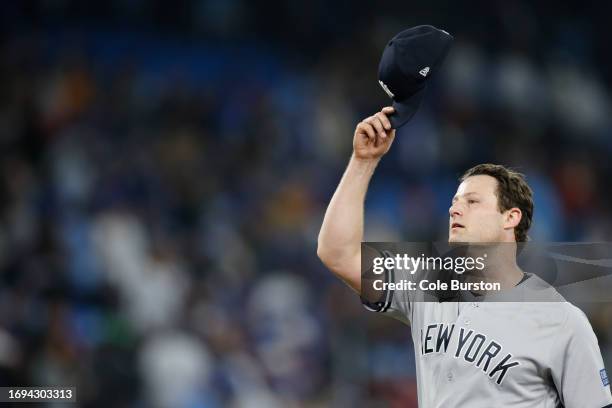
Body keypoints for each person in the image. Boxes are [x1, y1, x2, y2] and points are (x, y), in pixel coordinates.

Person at [317, 106, 612, 407]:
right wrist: (363, 162)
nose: (454, 209)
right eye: (455, 202)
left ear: (510, 218)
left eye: (472, 201)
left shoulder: (561, 320)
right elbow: (338, 252)